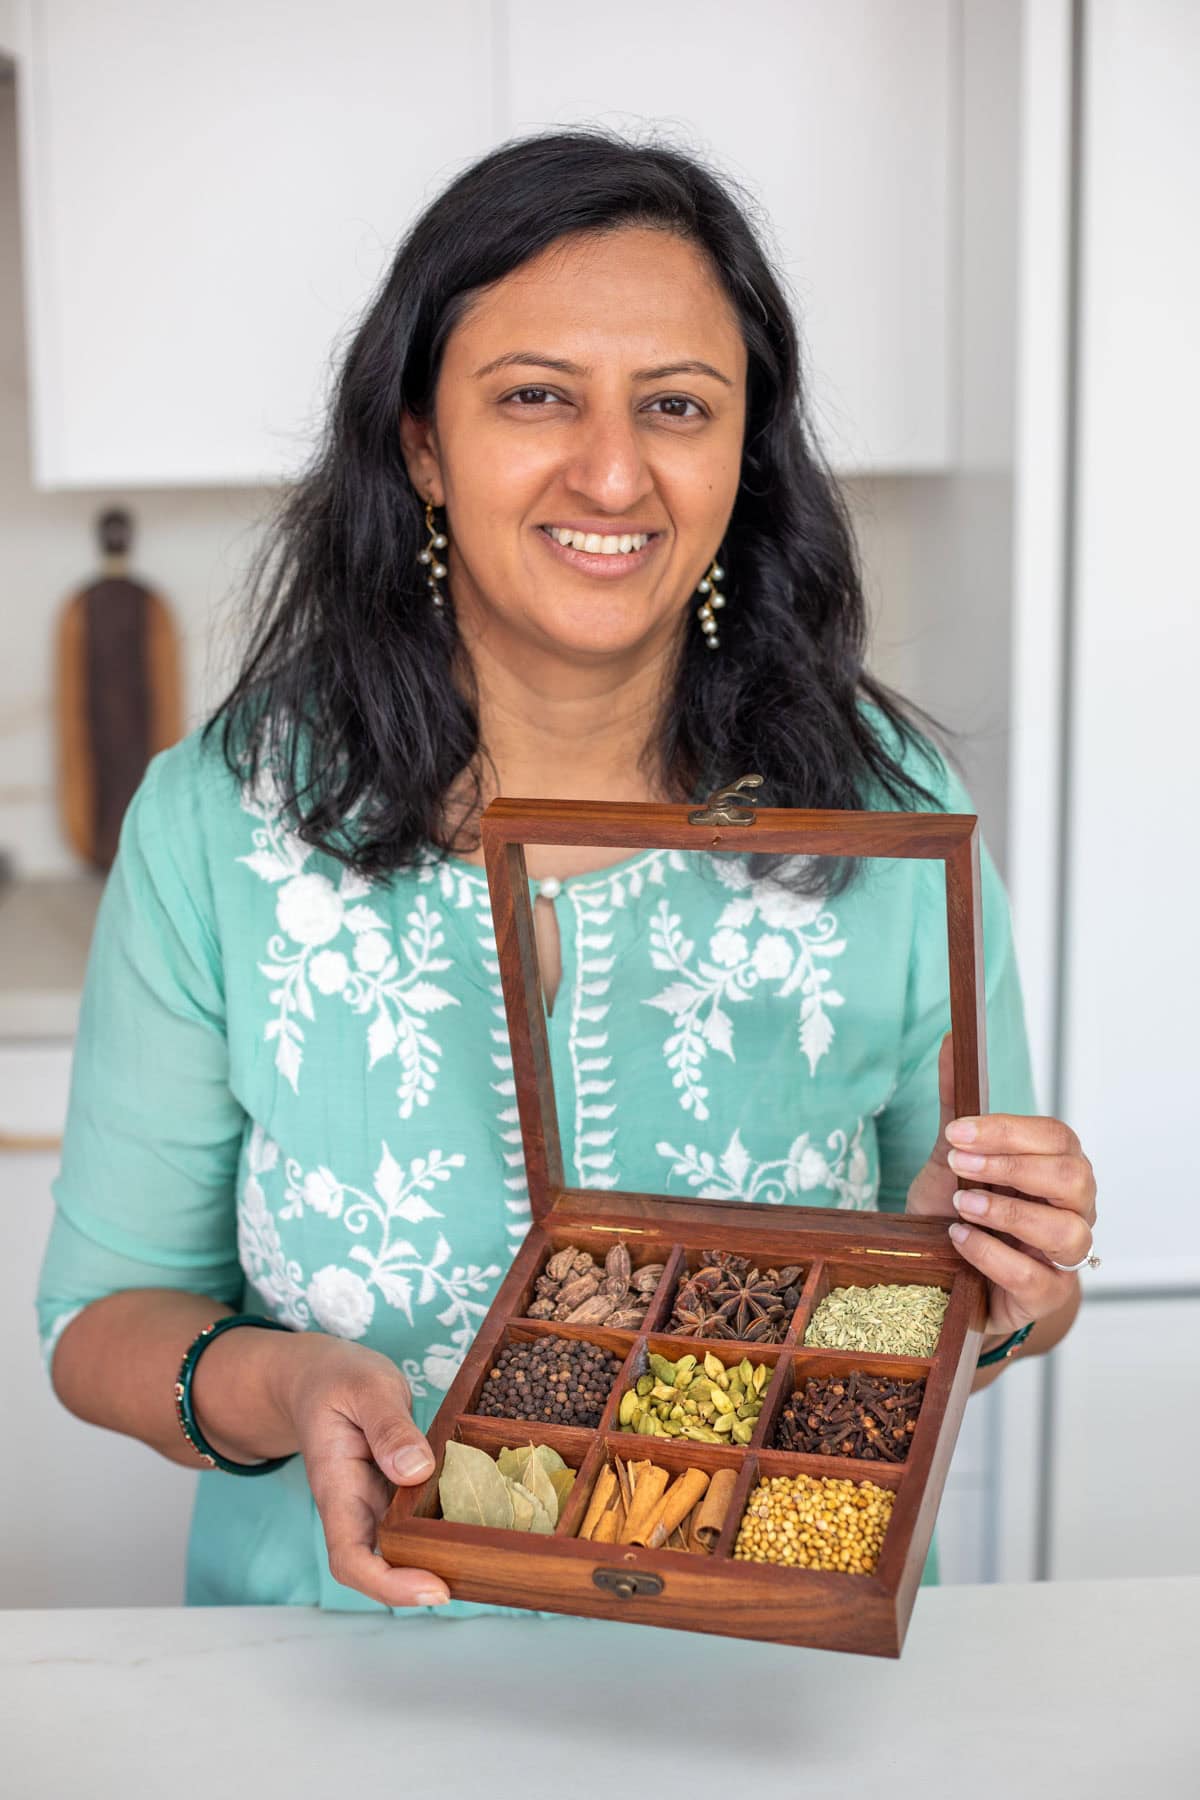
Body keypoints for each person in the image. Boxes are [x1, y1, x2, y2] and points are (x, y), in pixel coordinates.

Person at [36, 132, 1098, 1616]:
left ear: (744, 455)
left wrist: (988, 1278)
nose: (614, 470)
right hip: (328, 1689)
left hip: (773, 1699)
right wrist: (286, 1384)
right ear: (422, 443)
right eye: (536, 396)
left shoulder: (888, 820)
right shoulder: (216, 824)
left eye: (678, 407)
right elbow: (99, 1323)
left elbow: (998, 1315)